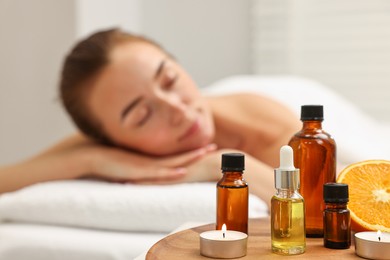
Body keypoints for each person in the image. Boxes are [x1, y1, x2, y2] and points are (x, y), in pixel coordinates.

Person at [0, 28, 300, 206]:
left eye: (170, 80)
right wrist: (90, 161)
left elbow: (332, 205)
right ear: (112, 141)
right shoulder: (101, 144)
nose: (178, 110)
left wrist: (223, 163)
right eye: (142, 116)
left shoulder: (262, 123)